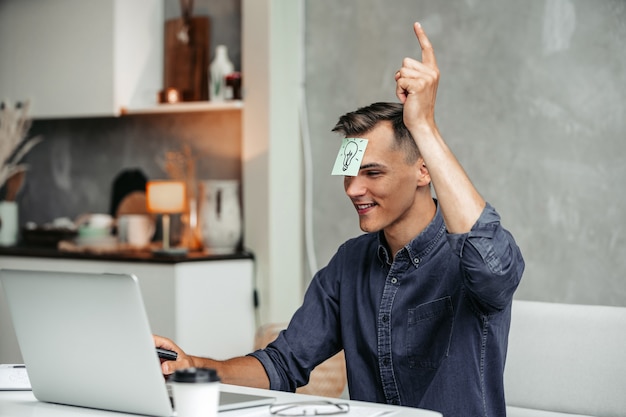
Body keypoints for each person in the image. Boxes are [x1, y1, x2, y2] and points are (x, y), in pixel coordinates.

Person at [154, 22, 525, 417]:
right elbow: (282, 363)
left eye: (373, 173)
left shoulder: (468, 261)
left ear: (423, 170)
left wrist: (423, 126)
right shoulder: (349, 264)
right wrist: (196, 366)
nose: (352, 189)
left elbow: (493, 267)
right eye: (350, 173)